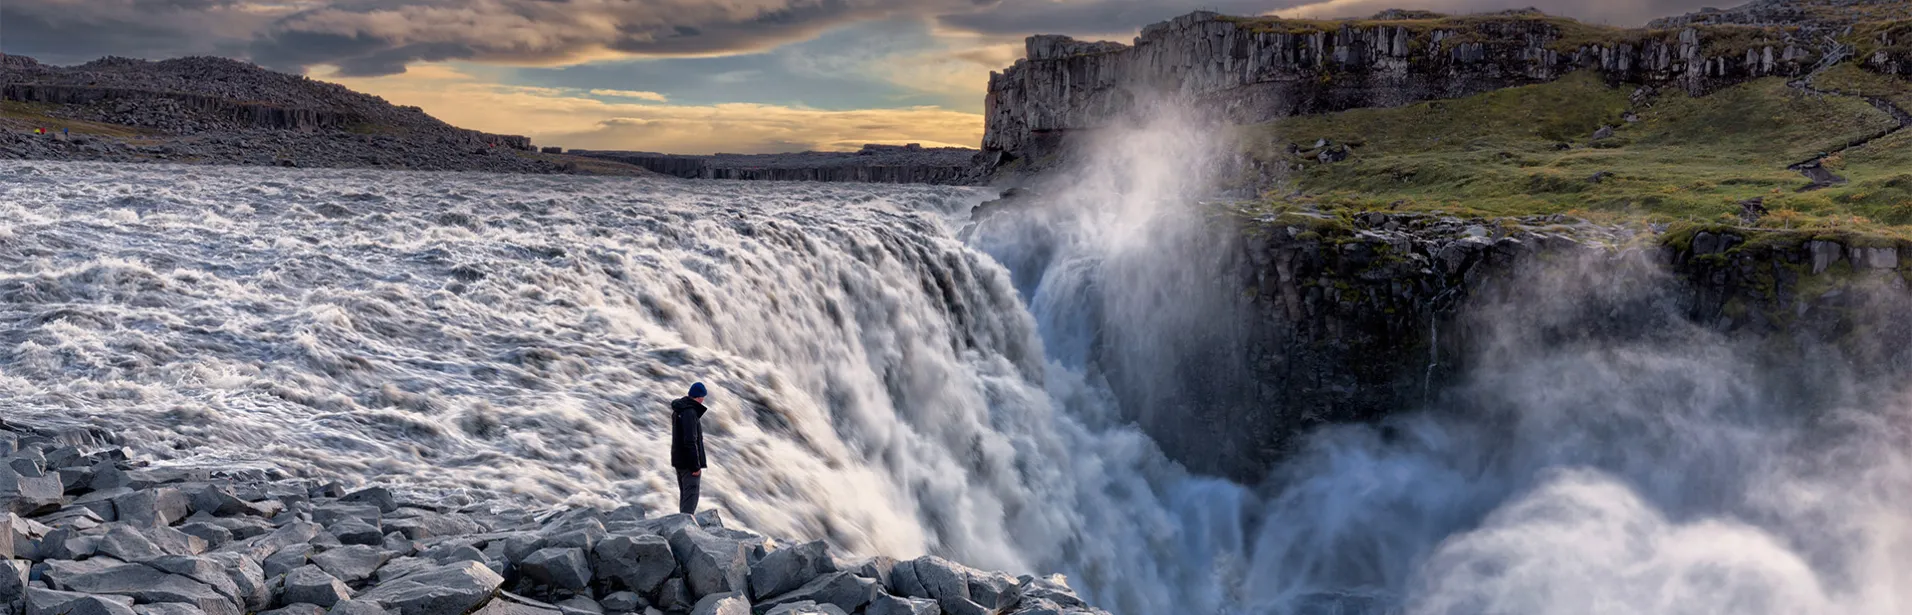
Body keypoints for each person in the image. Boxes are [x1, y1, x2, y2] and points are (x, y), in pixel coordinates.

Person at [670, 382, 710, 514]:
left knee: (685, 497)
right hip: (688, 464)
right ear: (699, 397)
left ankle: (680, 526)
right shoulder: (690, 412)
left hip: (679, 460)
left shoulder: (679, 410)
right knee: (690, 500)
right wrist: (695, 466)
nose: (703, 399)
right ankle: (685, 530)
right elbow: (690, 441)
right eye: (703, 397)